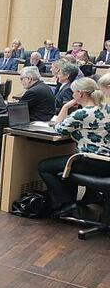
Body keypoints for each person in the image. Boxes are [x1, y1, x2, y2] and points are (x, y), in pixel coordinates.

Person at [38, 77, 110, 215]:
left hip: (92, 162)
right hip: (107, 161)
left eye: (73, 93)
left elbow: (58, 128)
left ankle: (66, 204)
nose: (72, 95)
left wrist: (65, 107)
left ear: (80, 94)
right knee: (65, 162)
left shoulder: (81, 113)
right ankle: (92, 195)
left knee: (44, 166)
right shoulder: (107, 108)